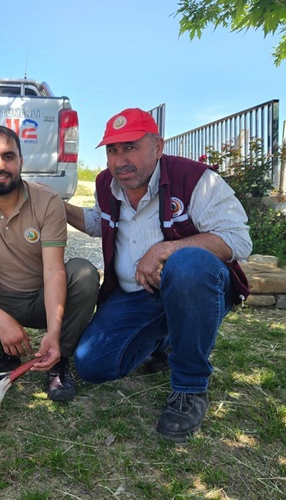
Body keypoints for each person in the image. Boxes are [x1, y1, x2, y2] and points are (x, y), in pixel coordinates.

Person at [65, 108, 252, 441]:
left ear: (158, 146)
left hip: (194, 286)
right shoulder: (106, 183)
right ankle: (166, 340)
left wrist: (164, 250)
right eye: (112, 150)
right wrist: (56, 205)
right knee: (92, 365)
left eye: (131, 146)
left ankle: (190, 387)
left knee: (188, 264)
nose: (120, 160)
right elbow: (98, 223)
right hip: (136, 297)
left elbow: (238, 241)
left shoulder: (195, 179)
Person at [0, 125, 100, 401]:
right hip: (1, 298)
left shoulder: (48, 201)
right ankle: (8, 348)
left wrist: (53, 332)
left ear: (21, 161)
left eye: (8, 156)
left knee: (84, 273)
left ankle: (59, 359)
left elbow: (53, 271)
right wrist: (2, 321)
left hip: (42, 297)